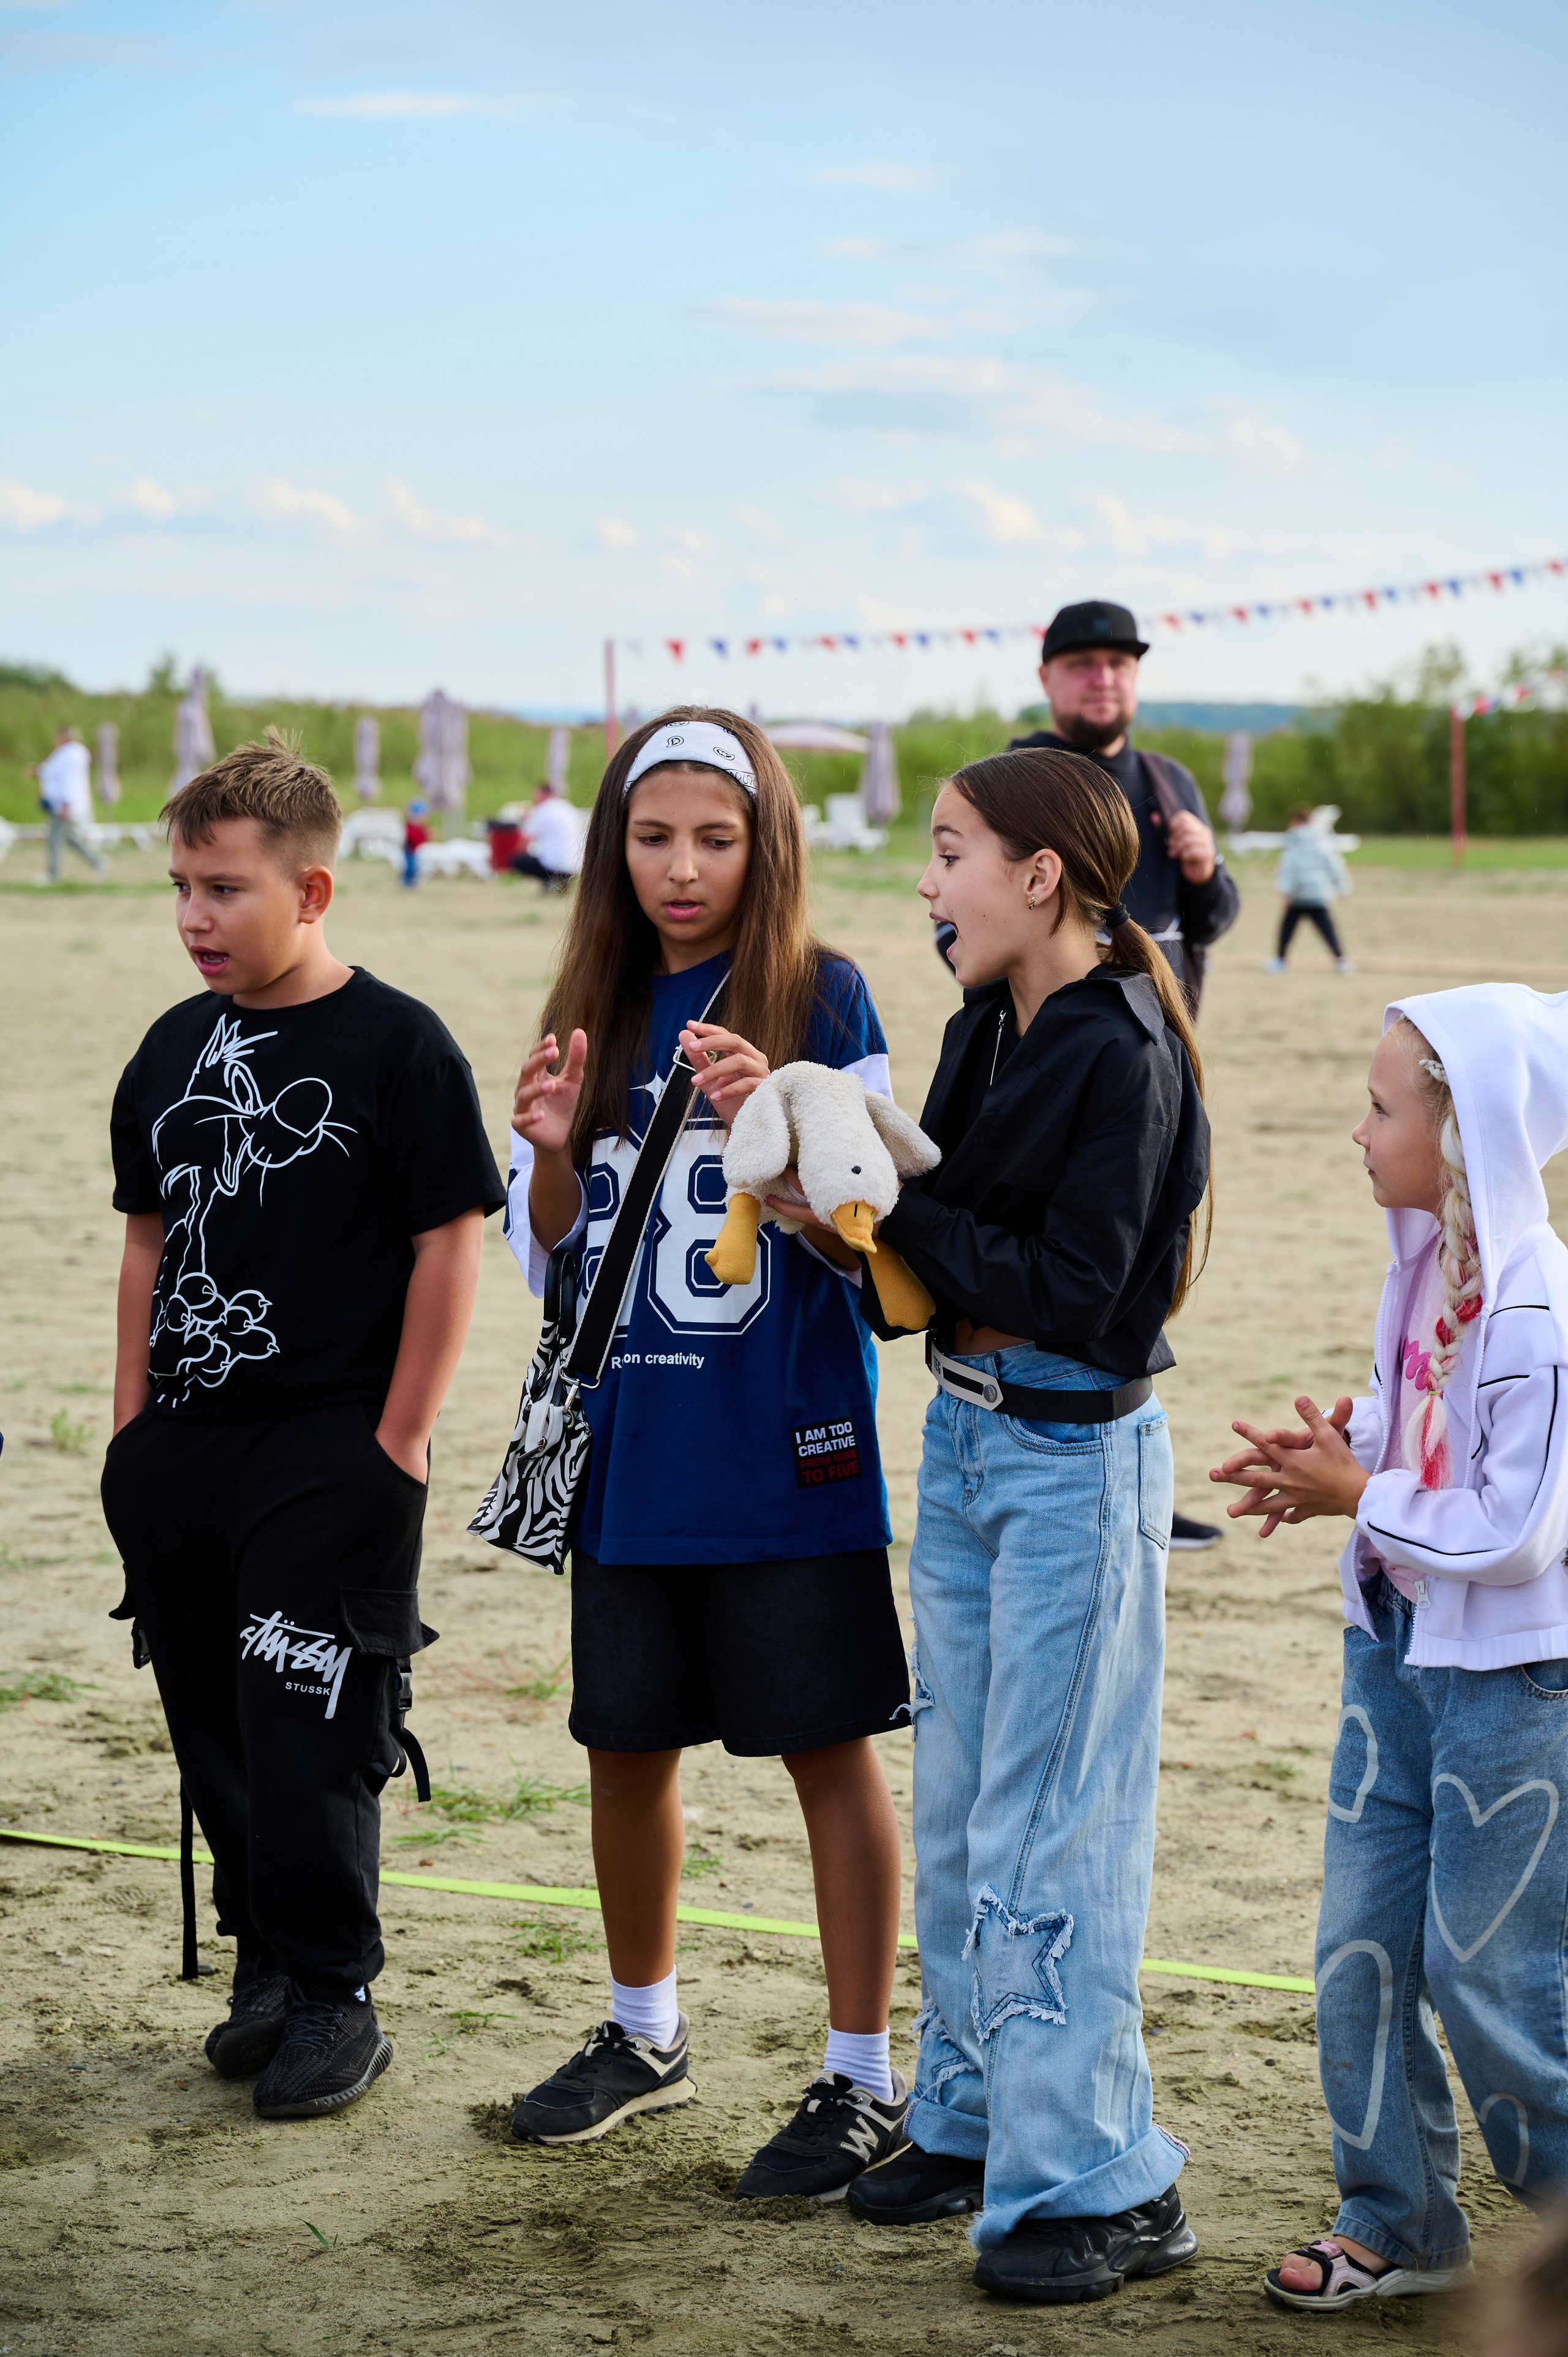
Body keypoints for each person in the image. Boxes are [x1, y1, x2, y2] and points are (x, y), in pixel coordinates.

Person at [503, 706, 912, 2201]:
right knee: (623, 1748)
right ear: (613, 845)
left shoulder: (824, 988)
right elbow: (550, 1256)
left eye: (715, 838)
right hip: (634, 1449)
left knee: (825, 1749)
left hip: (784, 1443)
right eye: (654, 836)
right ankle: (640, 2027)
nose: (682, 868)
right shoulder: (596, 995)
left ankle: (862, 2069)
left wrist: (776, 1123)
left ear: (766, 843)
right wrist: (548, 1145)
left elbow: (872, 1231)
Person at [845, 746, 1210, 2307]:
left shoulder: (1118, 1050)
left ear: (1038, 874)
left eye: (947, 853)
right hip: (968, 1446)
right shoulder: (975, 1025)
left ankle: (1103, 2178)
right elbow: (922, 1277)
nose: (926, 883)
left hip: (1075, 1458)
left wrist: (888, 1186)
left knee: (1050, 1820)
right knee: (957, 1804)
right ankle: (972, 2111)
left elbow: (1066, 1288)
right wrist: (827, 1199)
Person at [100, 733, 505, 2120]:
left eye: (223, 887)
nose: (194, 916)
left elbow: (450, 1240)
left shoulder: (396, 1044)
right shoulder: (168, 1048)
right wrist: (128, 1433)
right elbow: (147, 1243)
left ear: (311, 888)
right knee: (212, 1721)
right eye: (181, 888)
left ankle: (335, 1990)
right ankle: (264, 1965)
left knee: (309, 1720)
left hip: (333, 1445)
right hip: (183, 1455)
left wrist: (397, 1437)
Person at [1210, 986, 1568, 2314]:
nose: (1354, 1131)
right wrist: (1341, 1443)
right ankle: (1402, 2220)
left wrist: (1356, 1497)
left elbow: (1521, 1534)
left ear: (1461, 1129)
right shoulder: (1423, 1261)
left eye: (1377, 1107)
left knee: (1490, 1980)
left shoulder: (1532, 1306)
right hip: (1396, 1656)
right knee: (1357, 1952)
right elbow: (1424, 1416)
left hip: (1511, 1688)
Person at [1011, 598, 1236, 1553]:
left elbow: (1212, 920)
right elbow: (967, 931)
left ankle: (1141, 1476)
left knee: (1150, 1275)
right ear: (1049, 677)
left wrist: (1204, 867)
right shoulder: (1021, 781)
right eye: (1084, 663)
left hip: (1161, 1072)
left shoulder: (1166, 777)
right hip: (1060, 1071)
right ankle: (1052, 1467)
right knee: (1063, 1267)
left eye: (1119, 662)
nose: (1104, 677)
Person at [1266, 808, 1353, 973]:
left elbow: (1289, 869)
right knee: (1328, 930)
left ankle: (1280, 961)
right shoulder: (1322, 841)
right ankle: (1341, 961)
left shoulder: (1294, 842)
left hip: (1298, 895)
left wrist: (1285, 892)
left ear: (1296, 822)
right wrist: (1343, 888)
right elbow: (1334, 866)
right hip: (1319, 894)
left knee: (1287, 930)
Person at [35, 725, 108, 883]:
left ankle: (52, 874)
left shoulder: (69, 754)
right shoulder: (75, 753)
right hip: (68, 802)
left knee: (55, 838)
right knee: (70, 837)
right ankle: (97, 861)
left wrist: (66, 803)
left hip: (64, 803)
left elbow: (66, 779)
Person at [510, 780, 584, 893]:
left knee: (518, 861)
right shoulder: (568, 807)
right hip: (575, 863)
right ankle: (563, 880)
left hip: (552, 863)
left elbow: (525, 840)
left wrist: (514, 857)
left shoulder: (543, 810)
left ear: (543, 794)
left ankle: (547, 881)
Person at [402, 797, 430, 889]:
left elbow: (425, 838)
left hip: (418, 850)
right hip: (410, 849)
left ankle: (412, 881)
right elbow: (410, 838)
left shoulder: (422, 828)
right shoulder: (410, 827)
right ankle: (407, 882)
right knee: (410, 866)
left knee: (416, 866)